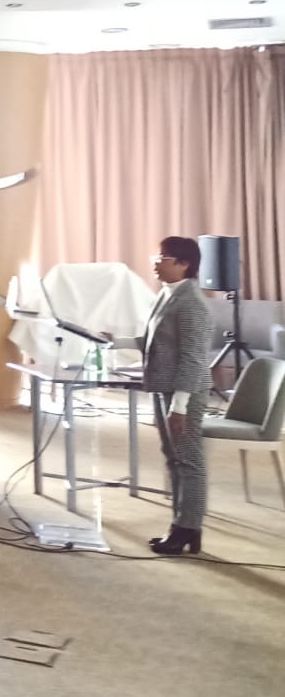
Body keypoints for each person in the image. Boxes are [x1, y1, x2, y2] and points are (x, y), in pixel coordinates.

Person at [143, 236, 213, 554]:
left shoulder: (192, 303)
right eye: (156, 258)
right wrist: (112, 341)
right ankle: (181, 526)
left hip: (185, 392)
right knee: (174, 458)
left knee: (188, 460)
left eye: (164, 259)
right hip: (165, 387)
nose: (156, 264)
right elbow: (157, 341)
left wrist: (180, 405)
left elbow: (193, 358)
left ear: (184, 264)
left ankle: (188, 527)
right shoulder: (167, 294)